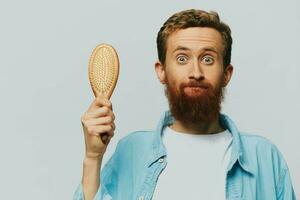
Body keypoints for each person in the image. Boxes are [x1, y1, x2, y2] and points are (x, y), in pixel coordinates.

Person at [73, 9, 296, 200]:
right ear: (161, 71)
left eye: (208, 59)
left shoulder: (264, 157)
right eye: (182, 58)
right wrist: (93, 158)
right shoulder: (132, 151)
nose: (196, 73)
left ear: (226, 74)